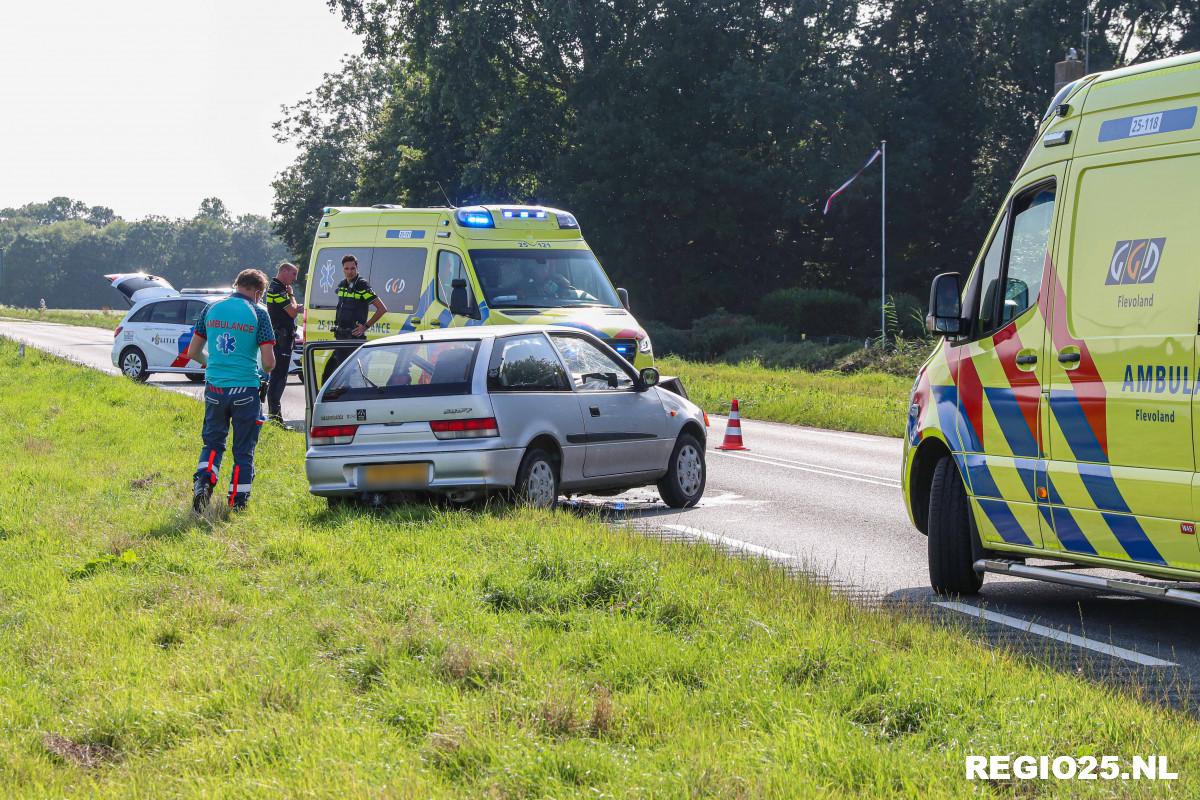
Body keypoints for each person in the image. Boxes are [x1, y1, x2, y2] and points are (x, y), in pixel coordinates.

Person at [185, 268, 276, 512]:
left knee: (213, 443)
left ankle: (204, 481)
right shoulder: (259, 313)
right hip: (245, 390)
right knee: (243, 449)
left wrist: (211, 363)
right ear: (258, 292)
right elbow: (268, 362)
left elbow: (192, 352)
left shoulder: (211, 309)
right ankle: (237, 501)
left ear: (237, 285)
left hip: (214, 388)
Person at [321, 254, 387, 384]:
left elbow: (382, 309)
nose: (350, 271)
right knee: (335, 377)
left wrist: (365, 326)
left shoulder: (362, 285)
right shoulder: (342, 285)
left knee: (353, 377)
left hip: (353, 339)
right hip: (340, 338)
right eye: (347, 268)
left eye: (352, 268)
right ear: (343, 269)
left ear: (357, 268)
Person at [263, 261, 302, 423]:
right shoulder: (276, 289)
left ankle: (275, 416)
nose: (295, 279)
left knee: (280, 376)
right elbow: (292, 312)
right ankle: (275, 416)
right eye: (293, 274)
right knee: (278, 377)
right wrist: (292, 296)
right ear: (284, 271)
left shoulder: (280, 288)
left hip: (284, 337)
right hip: (281, 338)